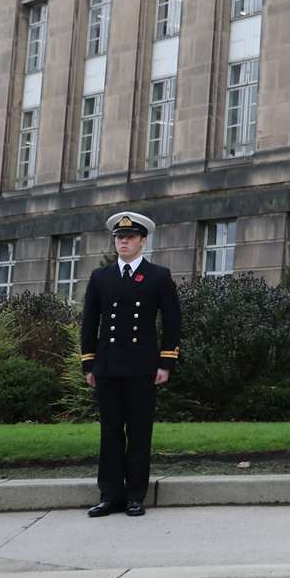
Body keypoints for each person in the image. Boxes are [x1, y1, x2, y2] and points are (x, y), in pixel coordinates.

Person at [80, 211, 180, 518]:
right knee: (110, 432)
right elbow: (89, 323)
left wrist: (166, 362)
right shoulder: (101, 277)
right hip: (108, 366)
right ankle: (110, 495)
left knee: (139, 432)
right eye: (119, 238)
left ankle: (135, 495)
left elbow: (173, 322)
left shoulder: (158, 276)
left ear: (143, 241)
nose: (124, 243)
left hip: (142, 366)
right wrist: (88, 364)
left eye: (130, 238)